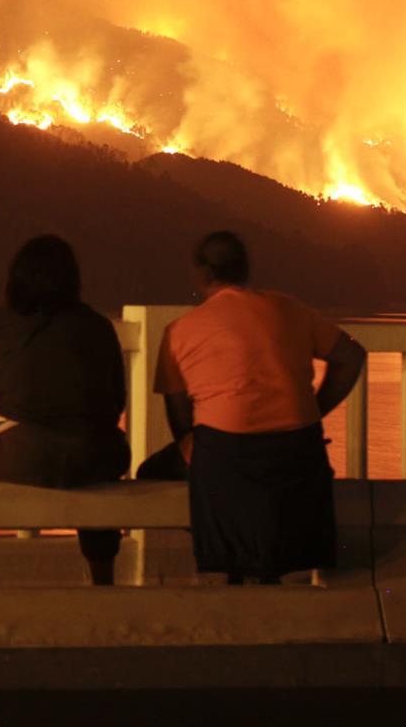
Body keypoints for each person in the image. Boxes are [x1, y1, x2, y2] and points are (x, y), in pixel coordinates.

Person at [155, 231, 365, 584]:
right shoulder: (289, 309)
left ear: (203, 274)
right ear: (245, 270)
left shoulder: (180, 331)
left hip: (226, 456)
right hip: (298, 456)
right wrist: (315, 409)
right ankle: (259, 569)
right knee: (257, 484)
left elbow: (179, 418)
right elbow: (352, 355)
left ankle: (226, 558)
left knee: (155, 472)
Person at [0, 235, 130, 588]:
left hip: (12, 454)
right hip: (86, 454)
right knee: (100, 478)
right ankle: (104, 583)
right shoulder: (97, 327)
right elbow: (116, 400)